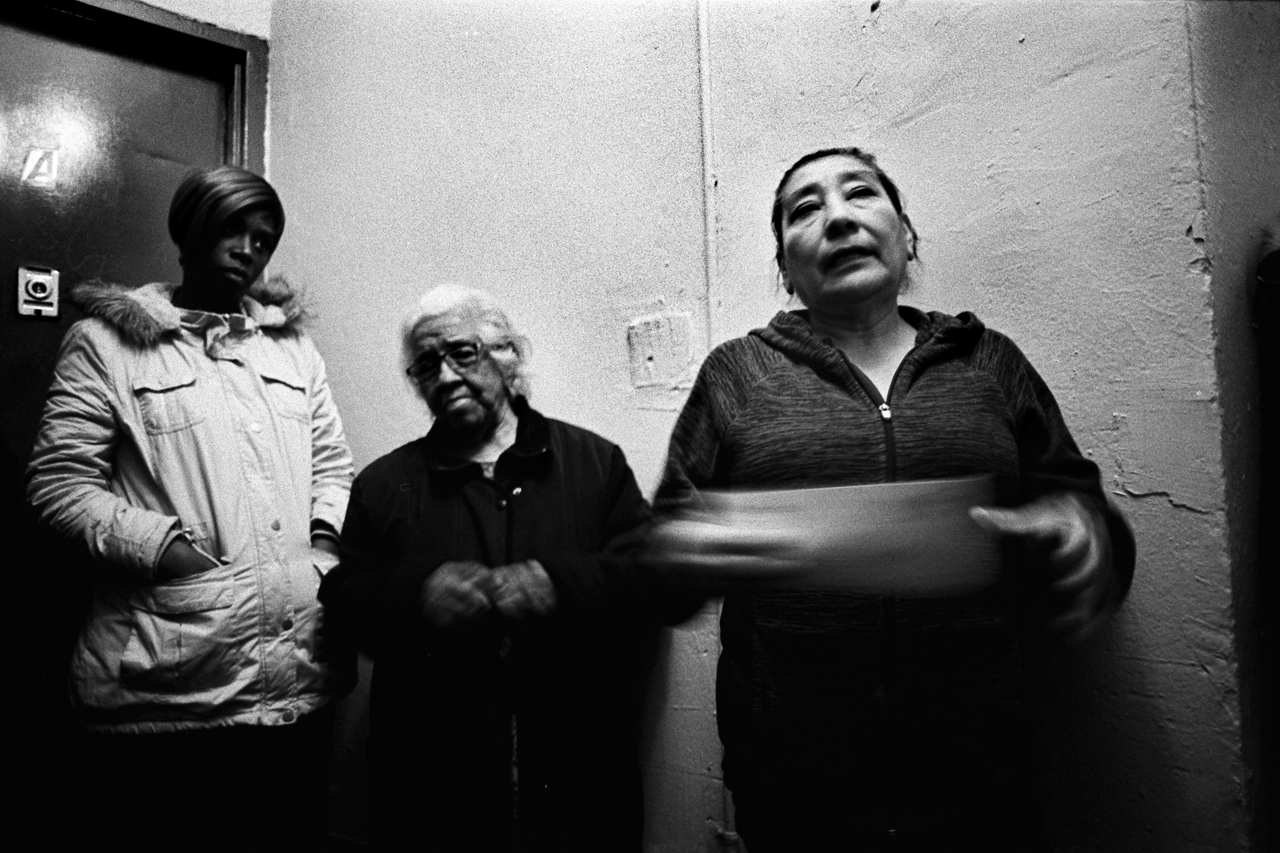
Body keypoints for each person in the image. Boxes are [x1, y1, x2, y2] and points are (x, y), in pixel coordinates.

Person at [649, 146, 1136, 851]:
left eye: (860, 194)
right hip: (795, 787)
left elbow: (1088, 517)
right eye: (806, 209)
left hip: (980, 778)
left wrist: (1082, 530)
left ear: (907, 237)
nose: (838, 217)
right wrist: (679, 550)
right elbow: (658, 560)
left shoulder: (988, 362)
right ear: (785, 267)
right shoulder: (736, 374)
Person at [26, 165, 354, 851]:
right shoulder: (108, 343)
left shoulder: (293, 348)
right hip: (172, 686)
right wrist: (169, 550)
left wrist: (323, 550)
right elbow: (60, 485)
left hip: (300, 674)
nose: (249, 250)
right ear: (189, 231)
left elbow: (332, 464)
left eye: (264, 239)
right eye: (232, 229)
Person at [318, 284, 655, 852]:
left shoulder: (594, 462)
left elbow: (652, 578)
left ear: (508, 356)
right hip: (434, 791)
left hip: (576, 775)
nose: (445, 377)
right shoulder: (382, 485)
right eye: (427, 365)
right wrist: (416, 594)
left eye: (462, 354)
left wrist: (561, 583)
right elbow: (344, 599)